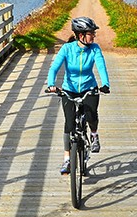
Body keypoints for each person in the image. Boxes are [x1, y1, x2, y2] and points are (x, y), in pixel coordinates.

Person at [47, 16, 110, 175]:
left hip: (89, 88)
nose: (94, 36)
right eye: (91, 33)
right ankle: (67, 159)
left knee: (91, 116)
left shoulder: (95, 48)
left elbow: (101, 66)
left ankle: (94, 135)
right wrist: (51, 84)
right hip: (69, 89)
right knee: (69, 124)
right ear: (81, 35)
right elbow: (54, 68)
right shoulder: (67, 49)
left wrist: (105, 84)